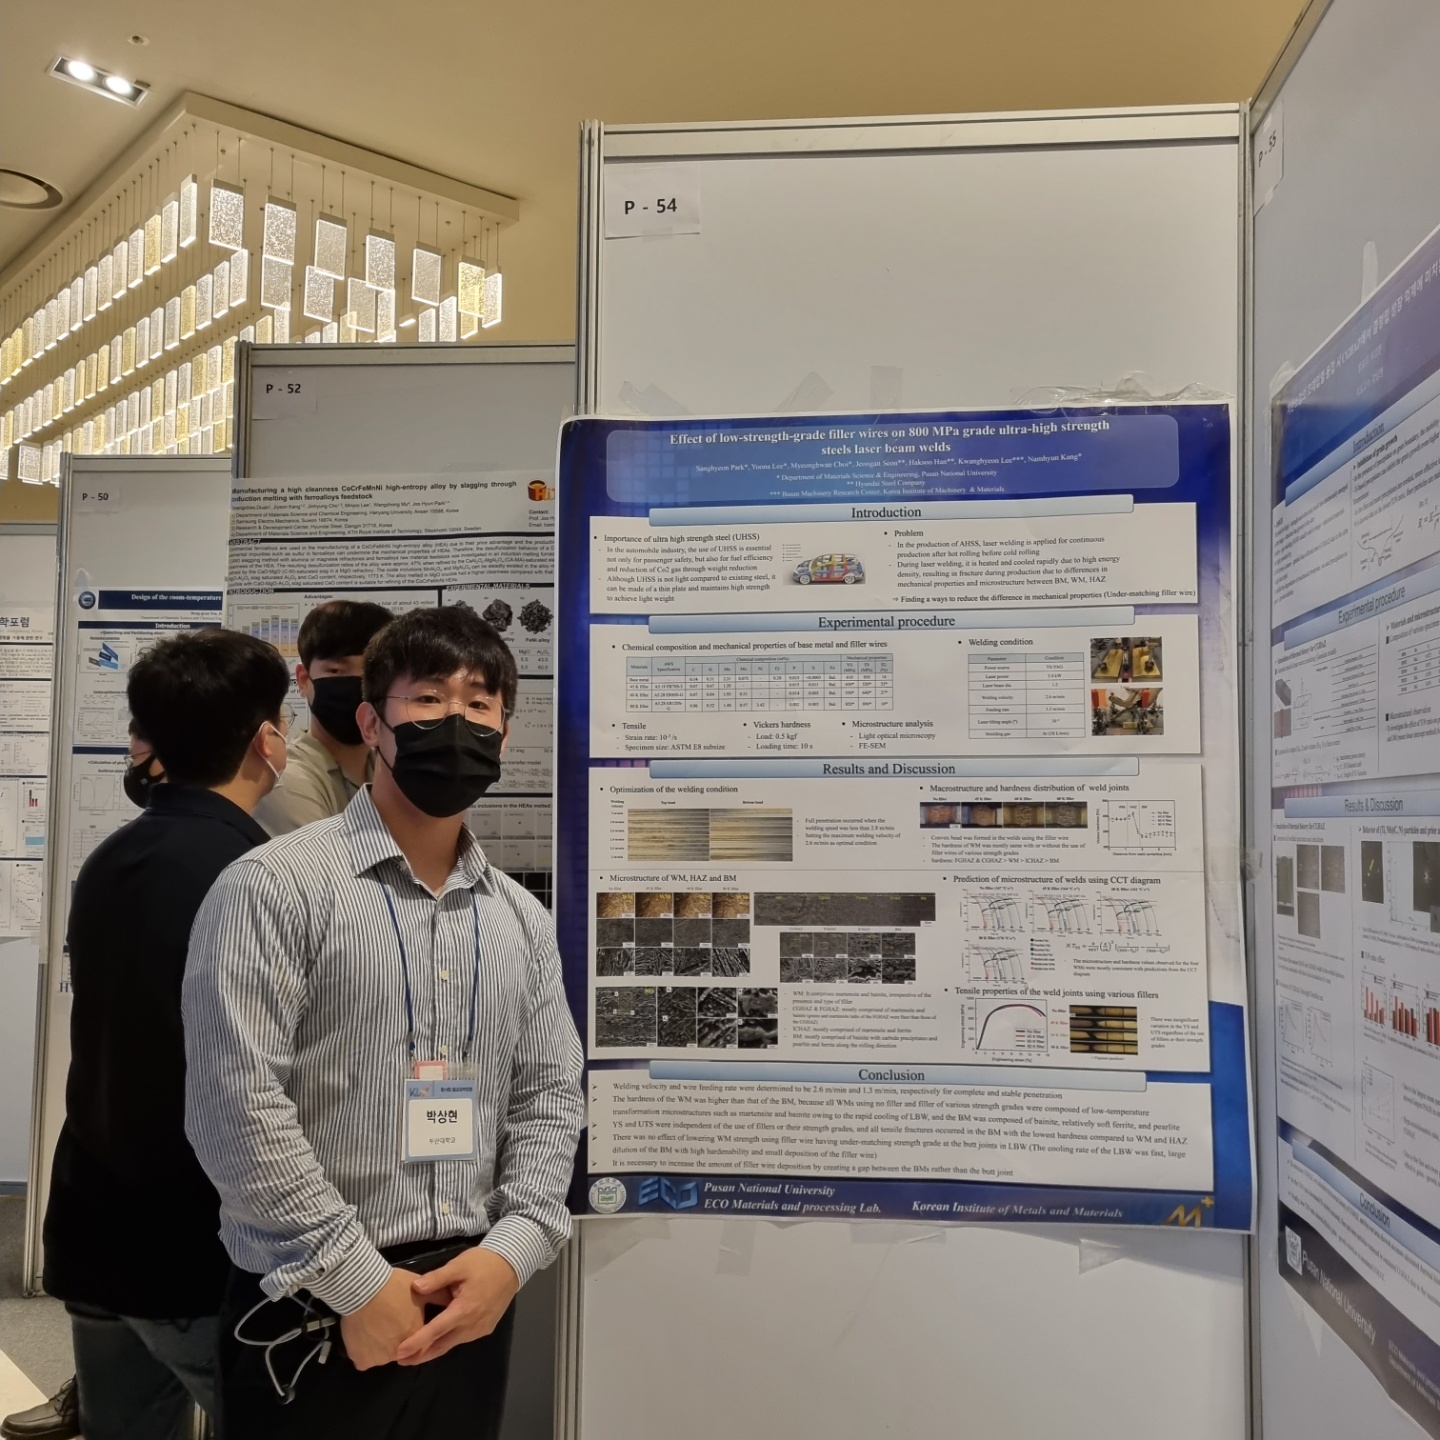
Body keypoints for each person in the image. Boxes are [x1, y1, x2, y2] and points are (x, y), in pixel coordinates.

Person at [184, 605, 583, 1438]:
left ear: (504, 734)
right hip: (313, 1301)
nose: (457, 720)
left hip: (471, 1292)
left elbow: (549, 1097)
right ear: (371, 722)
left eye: (480, 704)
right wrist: (358, 1283)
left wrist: (511, 1254)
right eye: (429, 698)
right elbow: (235, 1106)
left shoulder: (521, 918)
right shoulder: (274, 887)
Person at [41, 629, 290, 1440]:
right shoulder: (252, 876)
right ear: (268, 742)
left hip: (96, 1219)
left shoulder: (113, 857)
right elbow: (247, 1081)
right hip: (192, 1249)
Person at [1, 724, 168, 1440]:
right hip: (119, 1140)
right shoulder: (122, 858)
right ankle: (96, 1388)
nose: (135, 758)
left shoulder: (253, 843)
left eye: (145, 743)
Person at [253, 598, 394, 835]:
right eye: (336, 670)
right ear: (303, 680)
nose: (359, 686)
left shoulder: (388, 766)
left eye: (372, 673)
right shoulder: (287, 781)